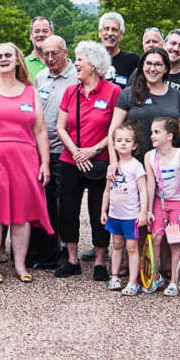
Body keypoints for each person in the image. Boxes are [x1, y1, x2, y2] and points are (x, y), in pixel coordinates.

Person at [0, 43, 52, 283]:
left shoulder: (29, 91)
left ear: (17, 60)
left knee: (22, 214)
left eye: (8, 55)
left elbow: (40, 130)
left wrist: (45, 162)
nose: (3, 59)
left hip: (25, 158)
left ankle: (20, 265)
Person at [54, 40, 120, 281]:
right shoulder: (70, 91)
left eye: (80, 59)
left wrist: (93, 150)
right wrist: (75, 151)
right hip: (70, 160)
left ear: (94, 64)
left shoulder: (113, 92)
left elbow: (116, 129)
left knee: (98, 211)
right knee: (68, 210)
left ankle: (101, 260)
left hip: (99, 160)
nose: (76, 64)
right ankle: (72, 259)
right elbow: (60, 126)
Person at [29, 35, 78, 269]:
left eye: (54, 53)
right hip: (42, 149)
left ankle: (65, 250)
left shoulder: (76, 77)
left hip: (66, 149)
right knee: (45, 200)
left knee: (64, 203)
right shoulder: (40, 77)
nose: (49, 58)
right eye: (45, 54)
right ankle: (47, 250)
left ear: (65, 53)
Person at [144, 117, 180, 296]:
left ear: (169, 135)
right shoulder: (149, 156)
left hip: (178, 203)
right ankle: (155, 276)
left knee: (175, 241)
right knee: (156, 239)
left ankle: (174, 281)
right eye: (152, 132)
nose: (152, 136)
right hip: (160, 202)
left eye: (157, 132)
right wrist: (149, 209)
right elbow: (151, 185)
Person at [107, 47, 180, 161]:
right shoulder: (127, 94)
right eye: (149, 63)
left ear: (166, 68)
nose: (152, 68)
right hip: (133, 164)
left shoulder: (178, 96)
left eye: (158, 64)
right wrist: (113, 161)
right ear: (142, 66)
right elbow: (113, 130)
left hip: (168, 164)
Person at [100, 122, 146, 296]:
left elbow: (143, 191)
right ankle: (115, 276)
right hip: (115, 214)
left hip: (131, 215)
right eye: (119, 140)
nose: (123, 143)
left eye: (127, 140)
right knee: (117, 245)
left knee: (132, 247)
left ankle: (133, 281)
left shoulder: (136, 166)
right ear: (114, 144)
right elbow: (106, 191)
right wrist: (103, 211)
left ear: (134, 145)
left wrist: (143, 212)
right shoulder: (112, 167)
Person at [98, 12, 139, 87]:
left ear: (121, 35)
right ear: (100, 33)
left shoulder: (133, 60)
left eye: (114, 30)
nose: (110, 33)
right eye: (106, 29)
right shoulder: (92, 60)